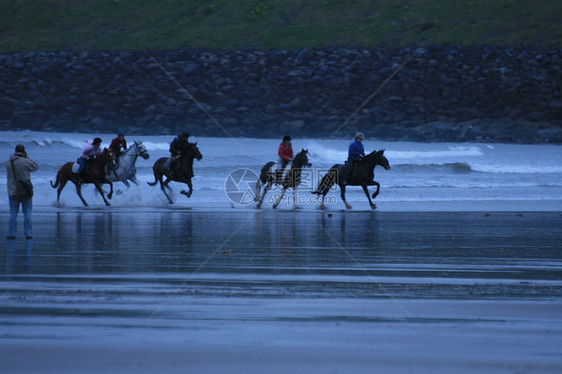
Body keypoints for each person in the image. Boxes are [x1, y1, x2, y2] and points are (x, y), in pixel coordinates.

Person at [5, 144, 38, 239]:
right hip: (25, 191)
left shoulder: (8, 162)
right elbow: (35, 167)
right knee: (27, 213)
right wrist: (27, 157)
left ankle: (12, 233)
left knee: (13, 213)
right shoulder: (26, 162)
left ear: (15, 151)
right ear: (24, 151)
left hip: (12, 191)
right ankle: (28, 233)